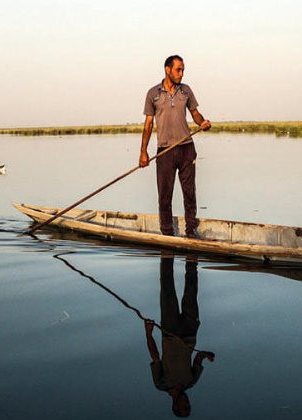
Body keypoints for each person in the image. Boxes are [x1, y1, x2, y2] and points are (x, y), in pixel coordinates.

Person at [139, 55, 212, 238]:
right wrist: (143, 153)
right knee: (164, 197)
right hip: (165, 151)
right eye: (178, 69)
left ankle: (191, 231)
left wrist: (203, 123)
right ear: (167, 69)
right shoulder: (153, 94)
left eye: (183, 70)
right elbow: (148, 125)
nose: (181, 73)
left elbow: (195, 114)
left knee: (189, 193)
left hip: (186, 148)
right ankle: (167, 234)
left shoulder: (186, 91)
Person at [144, 256, 214, 417]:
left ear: (175, 406)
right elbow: (198, 358)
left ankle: (166, 251)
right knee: (191, 288)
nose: (188, 403)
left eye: (185, 407)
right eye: (189, 406)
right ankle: (192, 257)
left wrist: (148, 333)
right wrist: (207, 355)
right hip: (190, 331)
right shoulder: (191, 382)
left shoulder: (161, 384)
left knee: (167, 287)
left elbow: (155, 357)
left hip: (170, 331)